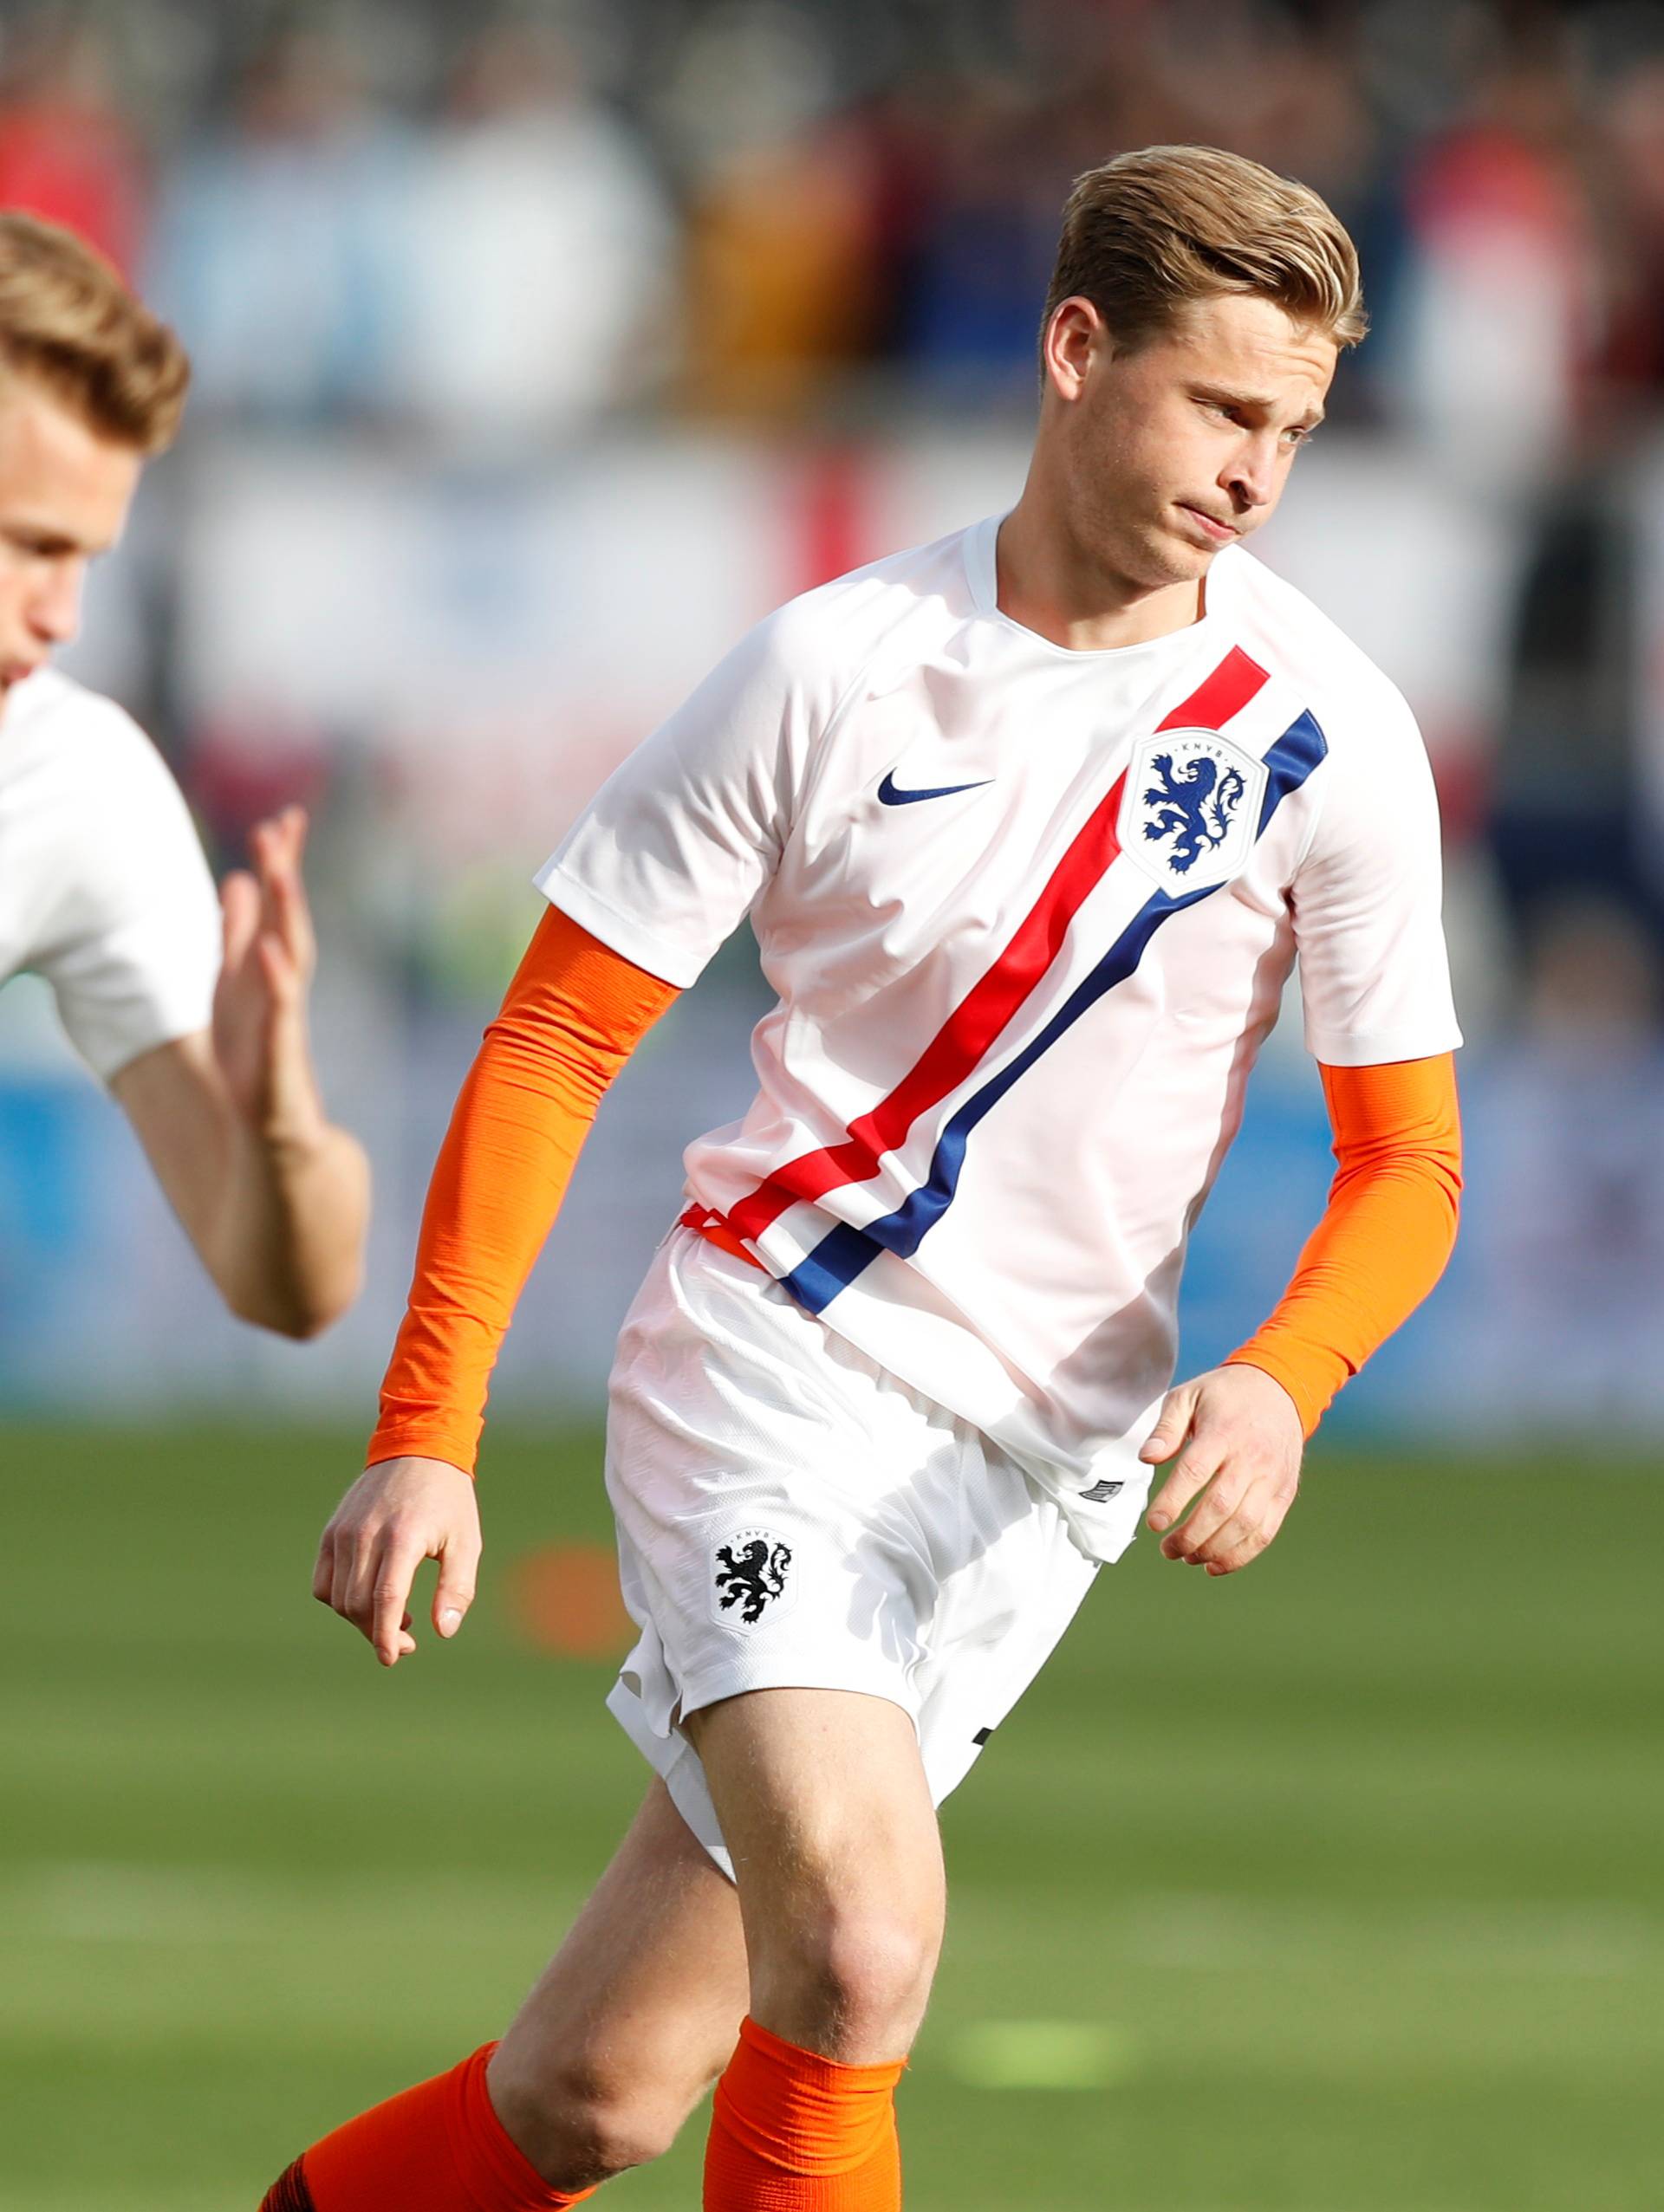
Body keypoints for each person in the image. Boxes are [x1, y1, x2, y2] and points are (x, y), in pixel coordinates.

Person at [270, 146, 1463, 2211]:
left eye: (1298, 426)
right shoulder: (829, 667)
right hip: (780, 1365)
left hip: (1040, 1478)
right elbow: (555, 1035)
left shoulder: (1329, 737)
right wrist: (427, 1430)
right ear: (1078, 351)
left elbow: (1410, 1156)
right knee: (866, 1941)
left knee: (597, 2092)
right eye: (1224, 407)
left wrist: (1291, 1371)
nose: (1263, 471)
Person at [0, 211, 367, 1337]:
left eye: (87, 558)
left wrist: (277, 1123)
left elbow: (287, 1287)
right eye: (28, 542)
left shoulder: (74, 774)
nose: (63, 613)